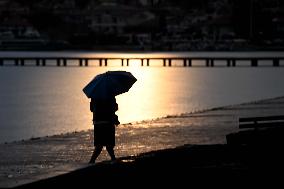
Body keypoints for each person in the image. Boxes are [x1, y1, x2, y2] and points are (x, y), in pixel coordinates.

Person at [88, 96, 120, 164]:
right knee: (109, 143)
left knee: (99, 145)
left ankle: (92, 161)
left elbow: (91, 109)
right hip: (108, 122)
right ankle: (113, 159)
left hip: (98, 122)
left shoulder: (95, 95)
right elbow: (114, 108)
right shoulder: (110, 94)